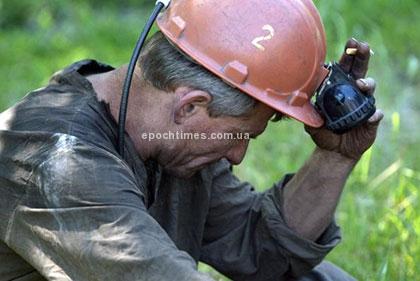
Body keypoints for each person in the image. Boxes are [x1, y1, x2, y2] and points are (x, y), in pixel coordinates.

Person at [0, 1, 383, 280]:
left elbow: (260, 250)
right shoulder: (59, 160)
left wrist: (334, 157)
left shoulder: (167, 140)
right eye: (239, 135)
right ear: (189, 106)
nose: (237, 155)